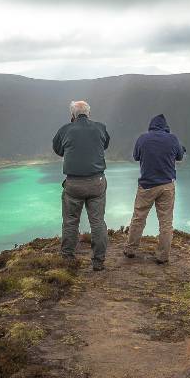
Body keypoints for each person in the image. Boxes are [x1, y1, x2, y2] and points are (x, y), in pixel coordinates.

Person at [52, 100, 111, 271]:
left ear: (72, 115)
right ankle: (98, 261)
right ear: (89, 113)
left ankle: (68, 259)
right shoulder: (100, 127)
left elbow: (58, 150)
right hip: (96, 182)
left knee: (70, 222)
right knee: (98, 222)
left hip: (73, 184)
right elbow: (104, 145)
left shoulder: (65, 130)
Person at [124, 114, 185, 264]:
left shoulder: (142, 139)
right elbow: (180, 156)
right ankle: (162, 256)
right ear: (166, 127)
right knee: (166, 222)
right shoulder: (172, 139)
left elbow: (136, 156)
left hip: (146, 185)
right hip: (166, 185)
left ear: (151, 125)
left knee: (138, 217)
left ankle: (130, 249)